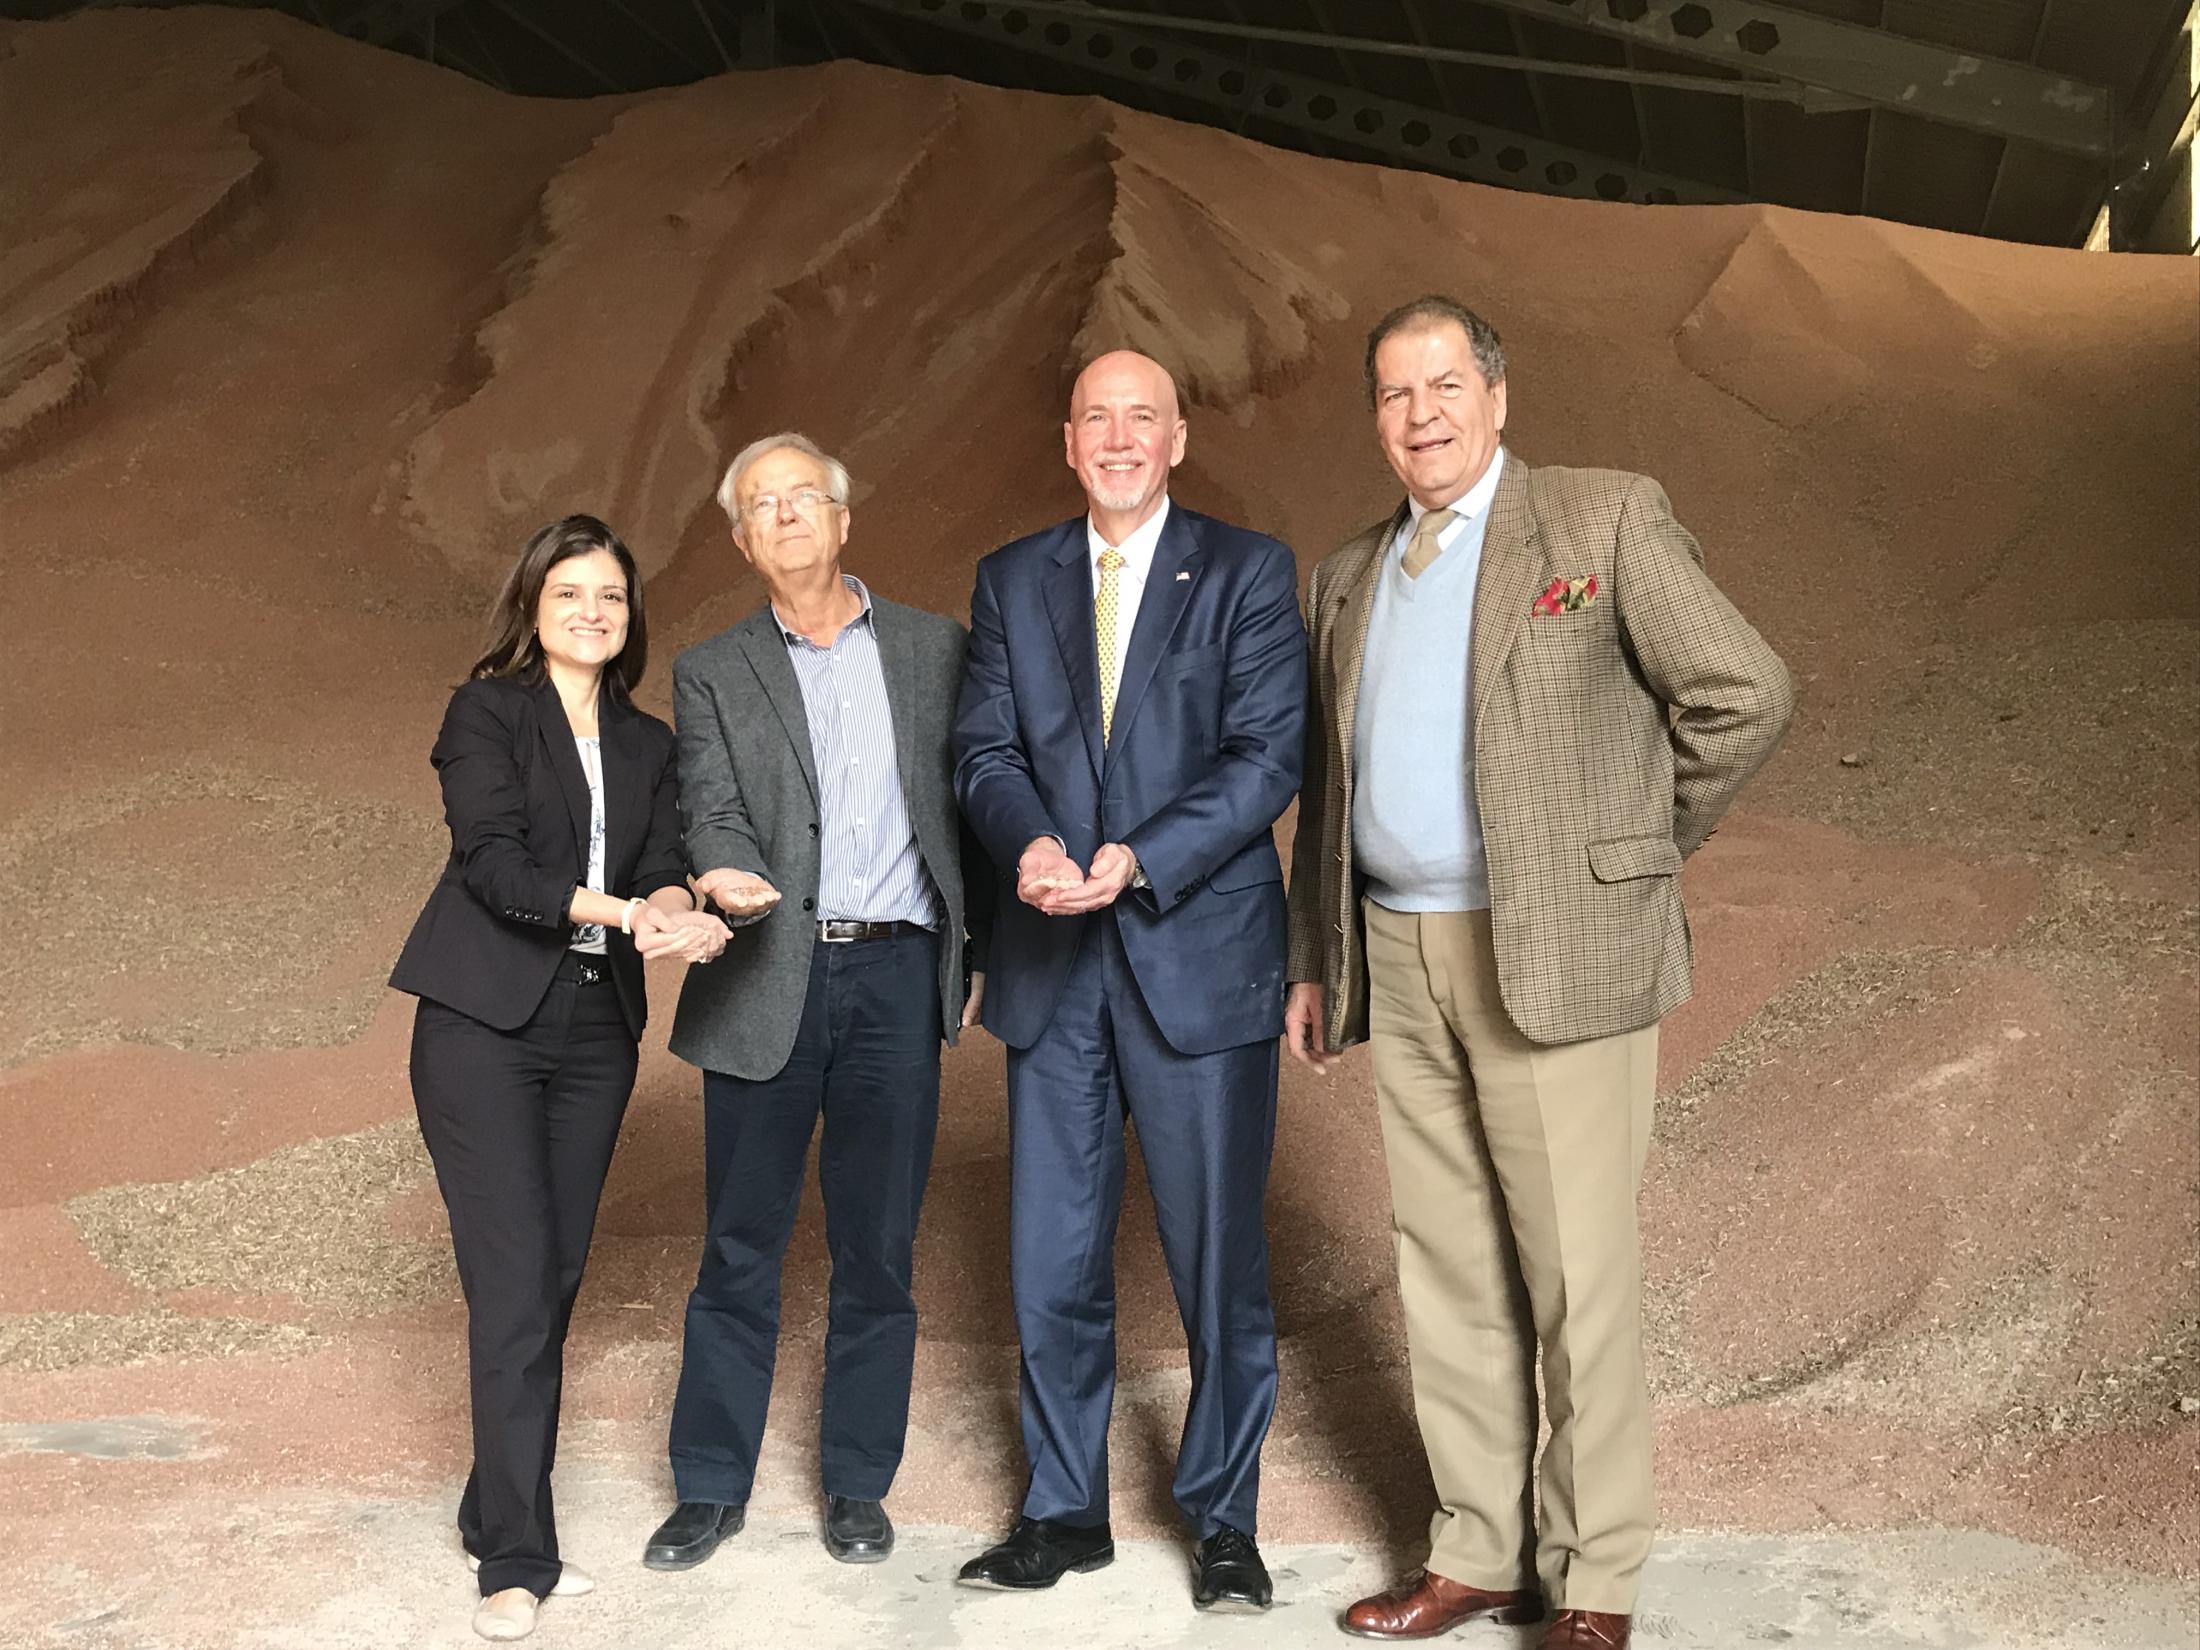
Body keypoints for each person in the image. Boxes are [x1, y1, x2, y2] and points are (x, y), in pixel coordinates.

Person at [1283, 297, 1795, 1649]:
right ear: (1377, 423)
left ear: (1498, 396)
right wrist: (1317, 957)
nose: (1422, 414)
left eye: (1445, 383)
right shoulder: (1347, 574)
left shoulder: (1602, 521)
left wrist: (1624, 856)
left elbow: (1744, 690)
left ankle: (1597, 1576)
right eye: (1395, 394)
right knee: (1447, 1266)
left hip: (1555, 951)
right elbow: (1325, 791)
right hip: (1399, 945)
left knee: (1579, 1277)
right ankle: (1476, 1552)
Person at [951, 351, 1306, 1613]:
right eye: (1096, 417)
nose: (1117, 437)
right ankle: (1062, 1513)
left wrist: (1136, 859)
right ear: (1066, 440)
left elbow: (1268, 759)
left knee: (1217, 1259)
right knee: (1050, 1256)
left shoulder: (1251, 572)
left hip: (1196, 961)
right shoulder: (1012, 579)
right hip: (1053, 966)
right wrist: (1029, 846)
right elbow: (983, 746)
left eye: (1139, 418)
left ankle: (1221, 1521)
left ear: (1177, 439)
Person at [642, 433, 989, 1573]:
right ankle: (708, 1487)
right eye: (761, 506)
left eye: (804, 498)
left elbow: (981, 794)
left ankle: (855, 1484)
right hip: (768, 972)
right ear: (743, 543)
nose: (786, 516)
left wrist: (983, 941)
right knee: (740, 1245)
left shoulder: (940, 651)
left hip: (895, 975)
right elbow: (710, 805)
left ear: (843, 521)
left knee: (878, 1249)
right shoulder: (711, 669)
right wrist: (724, 872)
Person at [390, 514, 729, 1643]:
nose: (593, 611)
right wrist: (627, 913)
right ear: (532, 605)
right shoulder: (486, 713)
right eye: (571, 592)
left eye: (613, 598)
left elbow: (661, 872)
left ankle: (493, 1500)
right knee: (516, 1280)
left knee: (555, 1276)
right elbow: (496, 867)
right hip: (483, 1023)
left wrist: (682, 917)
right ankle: (516, 1559)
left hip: (594, 1030)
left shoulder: (648, 745)